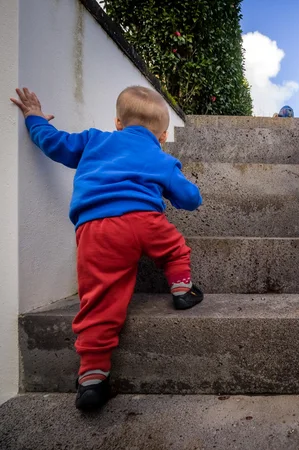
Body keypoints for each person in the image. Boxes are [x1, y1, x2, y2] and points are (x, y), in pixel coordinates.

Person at [10, 86, 204, 411]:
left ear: (117, 122)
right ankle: (182, 288)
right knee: (174, 249)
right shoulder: (161, 157)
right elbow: (189, 198)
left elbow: (55, 143)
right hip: (145, 222)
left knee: (99, 301)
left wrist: (34, 119)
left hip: (96, 229)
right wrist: (180, 184)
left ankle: (92, 378)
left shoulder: (94, 140)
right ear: (163, 135)